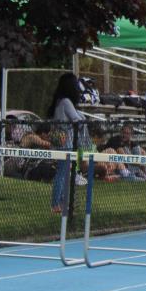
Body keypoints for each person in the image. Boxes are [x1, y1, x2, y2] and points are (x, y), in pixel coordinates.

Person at [48, 72, 84, 213]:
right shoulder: (66, 102)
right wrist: (82, 117)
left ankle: (62, 202)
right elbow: (76, 120)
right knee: (62, 174)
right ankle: (56, 203)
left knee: (63, 173)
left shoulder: (59, 101)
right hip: (66, 144)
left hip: (61, 144)